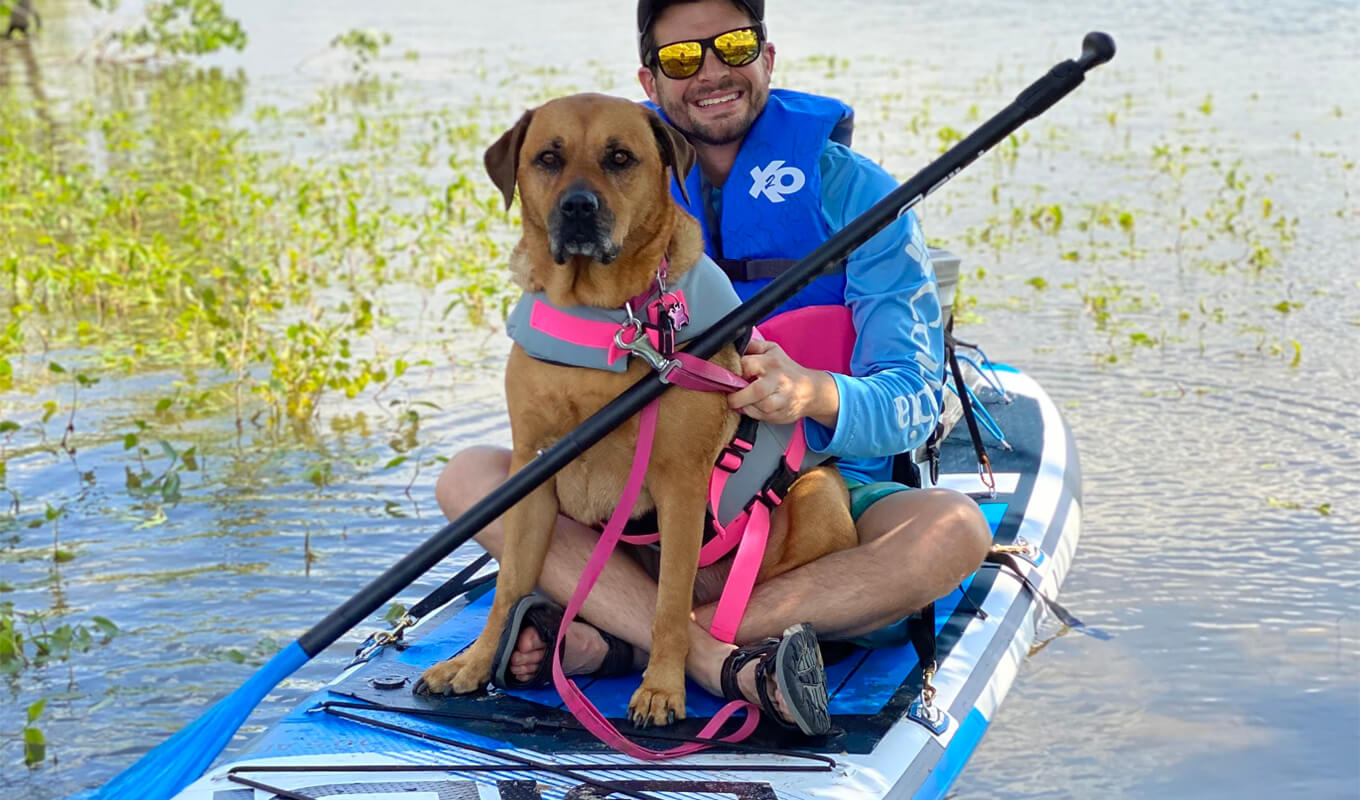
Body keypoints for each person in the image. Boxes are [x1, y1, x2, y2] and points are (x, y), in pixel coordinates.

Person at [434, 0, 992, 732]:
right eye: (681, 57)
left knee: (954, 528)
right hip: (631, 513)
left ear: (767, 55)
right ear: (650, 75)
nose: (711, 71)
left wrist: (814, 392)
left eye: (733, 45)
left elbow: (916, 397)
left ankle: (646, 636)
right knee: (469, 477)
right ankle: (713, 654)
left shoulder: (858, 195)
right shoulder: (609, 152)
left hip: (816, 488)